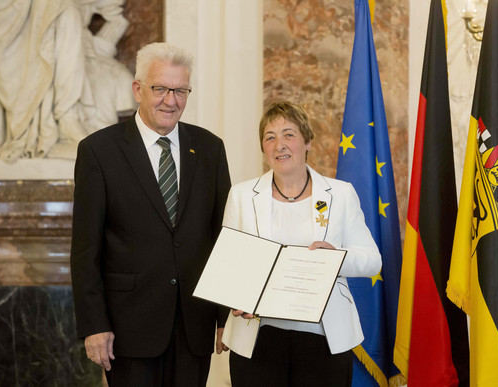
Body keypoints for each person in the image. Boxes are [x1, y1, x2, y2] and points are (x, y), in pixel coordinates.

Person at [70, 42, 231, 386]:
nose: (170, 101)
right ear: (137, 89)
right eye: (160, 89)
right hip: (128, 329)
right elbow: (86, 250)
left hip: (195, 326)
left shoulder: (210, 149)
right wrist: (94, 325)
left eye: (180, 90)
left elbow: (222, 236)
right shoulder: (98, 151)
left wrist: (223, 316)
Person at [221, 101, 382, 387]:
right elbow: (229, 265)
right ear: (263, 148)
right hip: (256, 339)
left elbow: (373, 260)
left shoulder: (341, 194)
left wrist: (336, 258)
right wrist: (236, 295)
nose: (279, 144)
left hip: (324, 337)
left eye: (289, 134)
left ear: (307, 141)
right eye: (270, 137)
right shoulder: (241, 195)